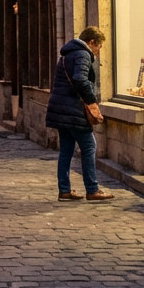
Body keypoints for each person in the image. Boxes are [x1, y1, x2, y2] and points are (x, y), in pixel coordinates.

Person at [45, 27, 114, 202]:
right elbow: (80, 79)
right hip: (74, 109)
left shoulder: (66, 54)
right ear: (92, 42)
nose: (98, 52)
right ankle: (92, 189)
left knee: (66, 150)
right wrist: (91, 100)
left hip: (61, 109)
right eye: (98, 47)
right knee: (89, 146)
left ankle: (64, 190)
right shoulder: (83, 54)